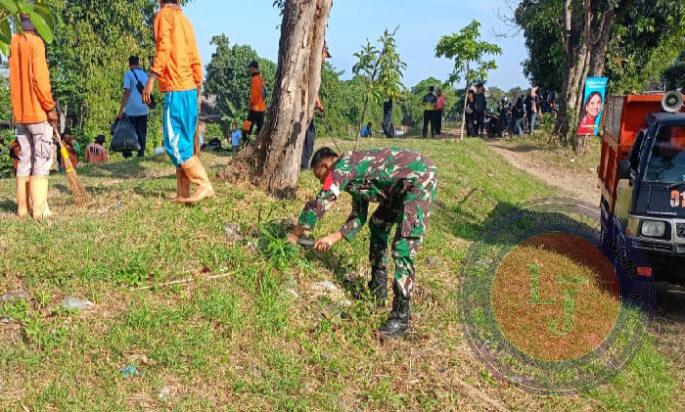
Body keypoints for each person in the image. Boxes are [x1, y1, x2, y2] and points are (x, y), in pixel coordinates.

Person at [288, 147, 438, 338]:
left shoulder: (344, 166)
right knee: (378, 224)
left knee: (403, 246)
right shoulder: (353, 176)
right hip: (398, 189)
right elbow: (358, 217)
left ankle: (401, 317)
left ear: (326, 166)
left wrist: (295, 234)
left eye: (321, 177)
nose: (323, 182)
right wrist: (332, 238)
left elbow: (323, 200)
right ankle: (377, 291)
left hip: (418, 179)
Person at [142, 0, 214, 205]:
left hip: (176, 90)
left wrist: (151, 78)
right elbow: (195, 56)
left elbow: (163, 48)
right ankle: (183, 194)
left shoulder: (163, 15)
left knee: (174, 145)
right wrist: (198, 84)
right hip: (190, 90)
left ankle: (204, 184)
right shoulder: (185, 20)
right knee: (185, 144)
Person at [9, 13, 59, 219]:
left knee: (25, 159)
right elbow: (40, 80)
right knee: (42, 158)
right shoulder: (36, 43)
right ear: (38, 23)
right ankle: (39, 210)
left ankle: (22, 209)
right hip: (38, 113)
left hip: (20, 114)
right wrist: (50, 107)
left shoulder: (13, 42)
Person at [300, 44, 331, 171]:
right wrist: (317, 102)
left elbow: (314, 89)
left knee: (310, 135)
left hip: (309, 106)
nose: (325, 59)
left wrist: (318, 103)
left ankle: (304, 164)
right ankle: (303, 165)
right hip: (304, 107)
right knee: (308, 136)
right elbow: (309, 87)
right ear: (321, 52)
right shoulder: (312, 67)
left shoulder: (316, 69)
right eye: (325, 55)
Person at [117, 56, 150, 158]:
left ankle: (128, 154)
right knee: (142, 132)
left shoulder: (129, 74)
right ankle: (141, 154)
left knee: (129, 132)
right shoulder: (145, 75)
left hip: (131, 109)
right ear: (138, 63)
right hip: (144, 108)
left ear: (129, 64)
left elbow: (126, 92)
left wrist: (120, 110)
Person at [244, 60, 267, 138]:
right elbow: (264, 94)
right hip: (262, 108)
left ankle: (244, 143)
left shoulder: (254, 79)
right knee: (260, 131)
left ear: (253, 68)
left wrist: (249, 105)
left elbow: (254, 95)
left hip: (255, 107)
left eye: (250, 68)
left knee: (246, 127)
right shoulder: (261, 79)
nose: (249, 70)